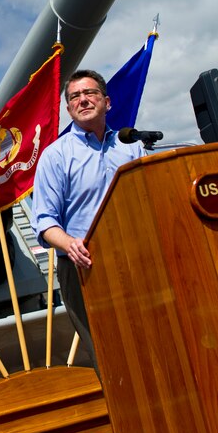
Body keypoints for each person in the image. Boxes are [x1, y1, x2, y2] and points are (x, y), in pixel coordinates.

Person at [33, 69, 146, 365]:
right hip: (85, 267)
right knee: (110, 355)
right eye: (75, 97)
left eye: (90, 93)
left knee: (151, 340)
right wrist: (69, 243)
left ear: (107, 102)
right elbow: (44, 220)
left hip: (138, 259)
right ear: (69, 109)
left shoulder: (131, 145)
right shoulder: (55, 156)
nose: (83, 100)